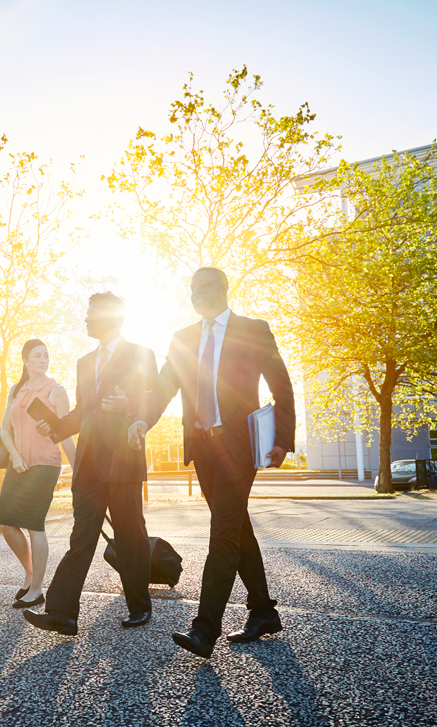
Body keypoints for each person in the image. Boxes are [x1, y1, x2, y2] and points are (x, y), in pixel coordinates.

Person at [129, 267, 295, 658]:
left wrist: (283, 440)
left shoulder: (253, 329)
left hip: (239, 447)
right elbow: (166, 383)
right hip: (203, 448)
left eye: (203, 288)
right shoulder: (183, 337)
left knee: (221, 534)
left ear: (223, 289)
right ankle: (263, 611)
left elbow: (281, 383)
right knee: (235, 529)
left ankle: (205, 630)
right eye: (191, 290)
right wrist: (143, 418)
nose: (196, 295)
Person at [23, 292, 157, 636]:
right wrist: (53, 426)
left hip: (124, 459)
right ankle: (62, 613)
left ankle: (140, 605)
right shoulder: (84, 361)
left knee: (130, 534)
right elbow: (83, 412)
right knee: (81, 536)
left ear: (112, 318)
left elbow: (152, 400)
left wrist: (129, 405)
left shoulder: (141, 355)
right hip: (88, 464)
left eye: (91, 314)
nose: (85, 319)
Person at [0, 339, 76, 609]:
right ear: (25, 360)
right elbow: (4, 430)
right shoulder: (16, 390)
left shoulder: (56, 391)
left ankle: (37, 589)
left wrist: (78, 469)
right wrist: (14, 455)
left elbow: (65, 435)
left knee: (34, 524)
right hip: (18, 464)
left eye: (46, 355)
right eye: (37, 356)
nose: (43, 360)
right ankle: (30, 574)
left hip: (45, 465)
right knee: (7, 523)